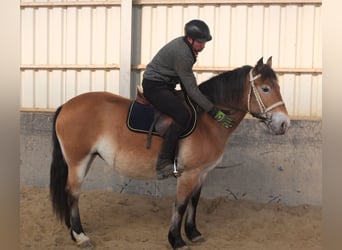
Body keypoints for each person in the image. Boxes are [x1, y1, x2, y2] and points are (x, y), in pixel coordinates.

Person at [142, 19, 234, 179]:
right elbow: (191, 89)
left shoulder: (187, 48)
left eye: (205, 41)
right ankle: (163, 162)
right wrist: (215, 112)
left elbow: (187, 84)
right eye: (200, 42)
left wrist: (204, 103)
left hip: (167, 85)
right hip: (155, 86)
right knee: (182, 115)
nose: (203, 45)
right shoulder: (183, 54)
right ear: (190, 39)